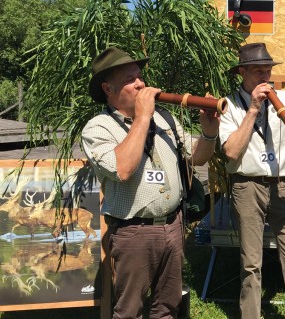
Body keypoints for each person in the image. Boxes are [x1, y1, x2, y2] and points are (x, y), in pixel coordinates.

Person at [81, 46, 219, 318]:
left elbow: (198, 157)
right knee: (129, 310)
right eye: (130, 80)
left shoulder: (164, 118)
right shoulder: (98, 128)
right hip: (134, 232)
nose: (141, 84)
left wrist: (209, 131)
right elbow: (122, 168)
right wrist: (143, 116)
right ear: (108, 89)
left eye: (140, 76)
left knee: (167, 307)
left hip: (173, 224)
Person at [219, 42, 285, 319]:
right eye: (257, 71)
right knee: (251, 263)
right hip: (246, 185)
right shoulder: (229, 105)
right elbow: (231, 151)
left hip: (280, 185)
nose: (264, 77)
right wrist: (253, 109)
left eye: (267, 70)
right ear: (242, 72)